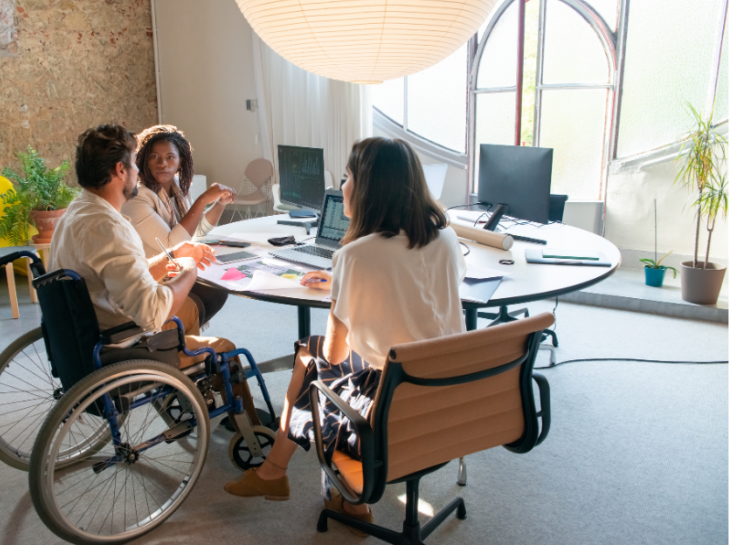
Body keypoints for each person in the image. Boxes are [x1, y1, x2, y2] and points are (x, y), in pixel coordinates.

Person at [222, 137, 467, 533]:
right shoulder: (447, 238)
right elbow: (421, 295)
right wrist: (348, 286)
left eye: (347, 177)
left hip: (392, 401)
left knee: (313, 357)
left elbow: (335, 354)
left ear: (369, 188)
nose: (341, 187)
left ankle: (278, 473)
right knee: (311, 354)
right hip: (449, 389)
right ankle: (292, 479)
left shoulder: (355, 256)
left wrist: (345, 287)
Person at [48, 123, 230, 362]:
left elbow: (122, 272)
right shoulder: (110, 227)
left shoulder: (78, 210)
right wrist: (189, 268)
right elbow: (152, 314)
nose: (138, 171)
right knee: (226, 348)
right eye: (135, 163)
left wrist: (172, 256)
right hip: (124, 347)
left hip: (83, 338)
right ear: (120, 170)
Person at [122, 124, 235, 328]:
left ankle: (183, 337)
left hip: (173, 270)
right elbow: (173, 244)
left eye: (170, 157)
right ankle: (176, 338)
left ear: (180, 161)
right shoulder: (138, 198)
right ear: (144, 159)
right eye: (154, 157)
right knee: (209, 288)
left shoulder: (177, 190)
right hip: (151, 280)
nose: (162, 163)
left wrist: (219, 203)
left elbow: (196, 230)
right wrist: (203, 200)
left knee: (219, 282)